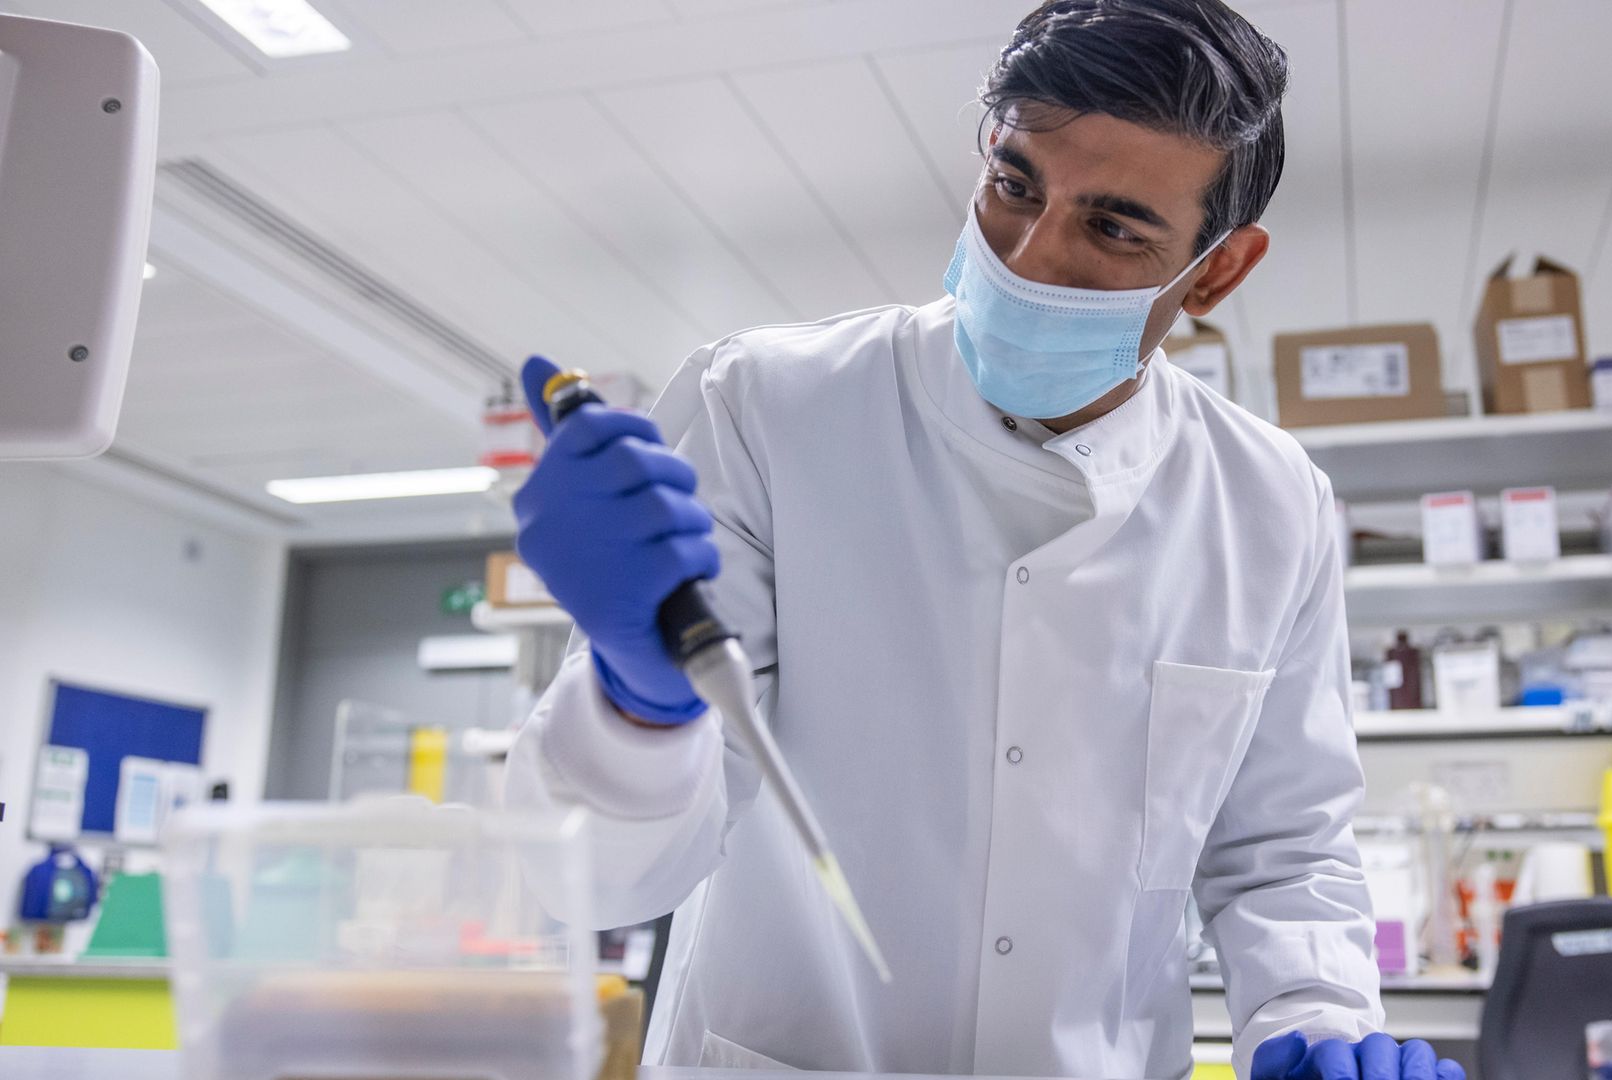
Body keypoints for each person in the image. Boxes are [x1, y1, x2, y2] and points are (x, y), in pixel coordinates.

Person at [507, 2, 1464, 1078]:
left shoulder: (1270, 500)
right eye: (1014, 185)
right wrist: (638, 701)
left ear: (1218, 269)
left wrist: (1318, 1024)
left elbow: (1281, 851)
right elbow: (604, 880)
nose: (1027, 257)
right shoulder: (768, 405)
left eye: (1113, 228)